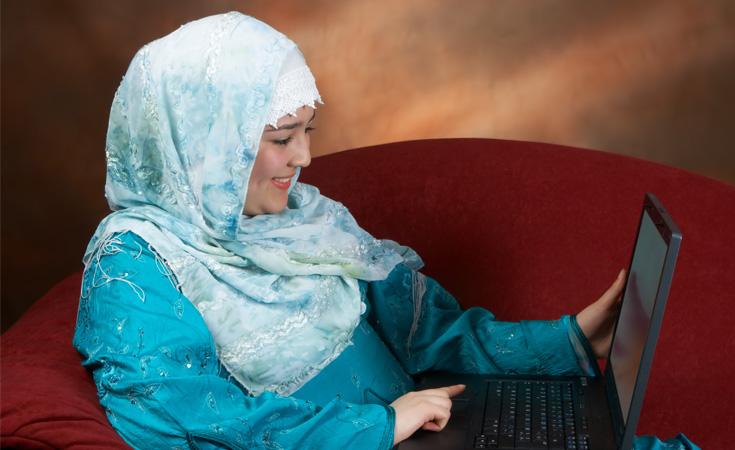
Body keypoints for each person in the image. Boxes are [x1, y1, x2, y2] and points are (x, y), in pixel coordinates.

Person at [73, 12, 698, 450]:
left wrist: (569, 342)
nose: (304, 160)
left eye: (308, 131)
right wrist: (375, 429)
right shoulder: (136, 262)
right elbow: (179, 420)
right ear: (203, 142)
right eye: (280, 138)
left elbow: (424, 336)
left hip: (429, 425)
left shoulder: (301, 222)